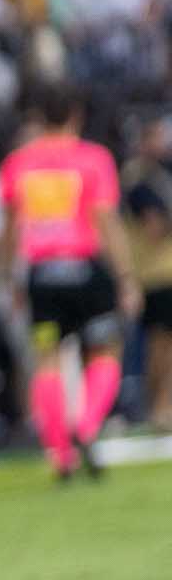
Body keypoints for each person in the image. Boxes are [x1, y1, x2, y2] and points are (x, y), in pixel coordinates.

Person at [0, 86, 140, 480]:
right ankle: (87, 425)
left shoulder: (19, 163)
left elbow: (9, 229)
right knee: (105, 351)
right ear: (76, 115)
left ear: (39, 117)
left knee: (47, 360)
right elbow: (106, 220)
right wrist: (126, 276)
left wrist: (11, 278)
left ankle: (61, 453)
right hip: (86, 270)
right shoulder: (94, 159)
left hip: (42, 275)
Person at [120, 117, 172, 428]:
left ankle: (162, 405)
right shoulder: (138, 179)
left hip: (162, 272)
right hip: (156, 274)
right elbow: (154, 227)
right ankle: (160, 406)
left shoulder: (160, 175)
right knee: (159, 345)